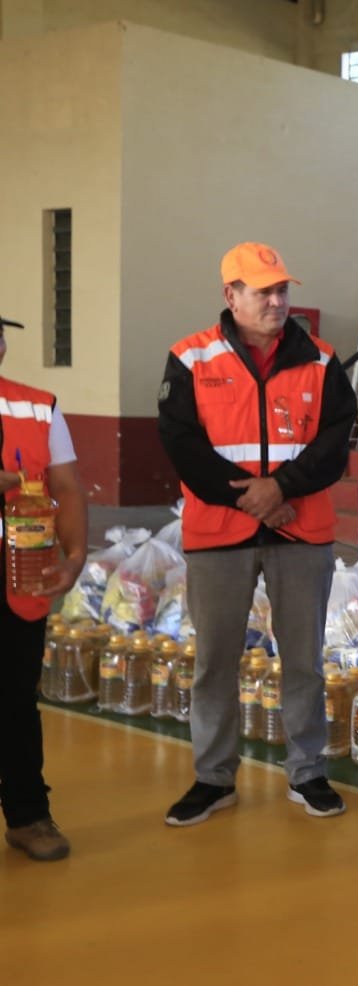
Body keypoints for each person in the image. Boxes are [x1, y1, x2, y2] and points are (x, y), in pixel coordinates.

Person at [157, 242, 356, 826]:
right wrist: (257, 498)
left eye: (282, 289)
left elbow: (335, 441)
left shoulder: (321, 360)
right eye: (263, 290)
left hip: (300, 532)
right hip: (219, 533)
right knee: (215, 661)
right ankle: (213, 778)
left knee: (303, 660)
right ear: (231, 295)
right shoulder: (190, 358)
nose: (276, 300)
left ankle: (308, 771)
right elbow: (182, 446)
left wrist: (283, 488)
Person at [0, 313, 88, 861]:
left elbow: (67, 487)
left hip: (20, 574)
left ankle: (29, 814)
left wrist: (75, 556)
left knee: (14, 699)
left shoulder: (37, 406)